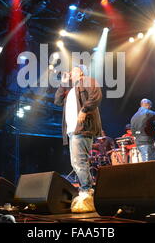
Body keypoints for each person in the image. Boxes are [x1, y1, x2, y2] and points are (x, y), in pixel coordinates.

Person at [54, 65, 102, 213]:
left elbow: (96, 95)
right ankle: (87, 191)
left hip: (83, 128)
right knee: (76, 163)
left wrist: (84, 110)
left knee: (79, 162)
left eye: (73, 70)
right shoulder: (70, 90)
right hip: (72, 131)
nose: (70, 72)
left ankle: (87, 191)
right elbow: (57, 101)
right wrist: (63, 83)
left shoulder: (86, 81)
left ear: (80, 72)